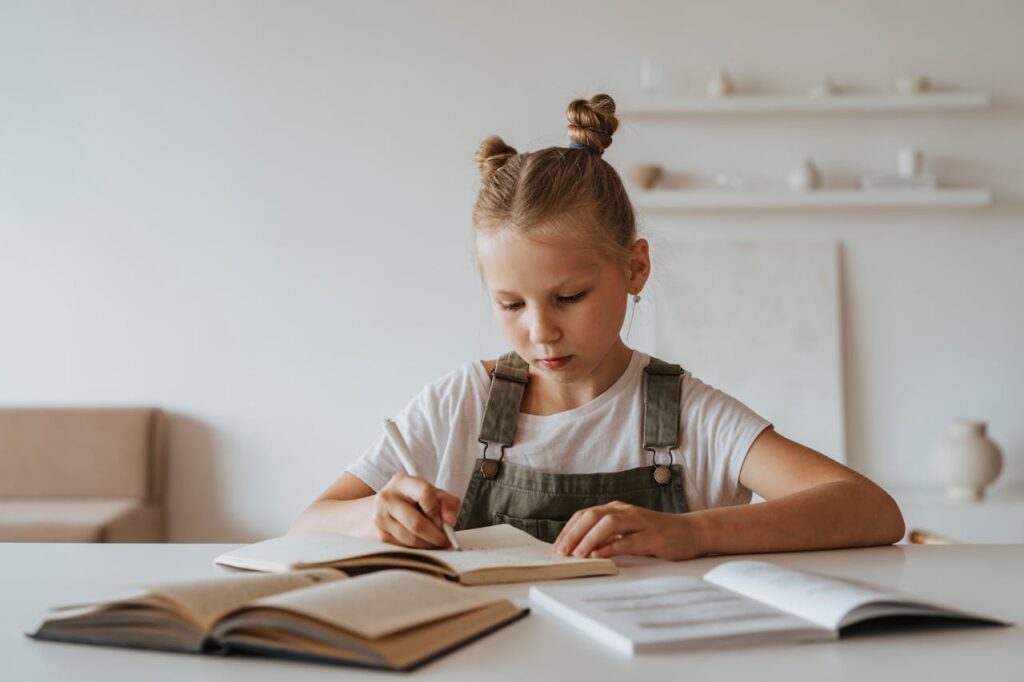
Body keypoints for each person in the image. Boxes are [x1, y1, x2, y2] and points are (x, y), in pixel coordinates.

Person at [290, 94, 905, 560]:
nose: (541, 332)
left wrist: (689, 531)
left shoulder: (686, 413)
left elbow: (871, 510)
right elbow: (308, 523)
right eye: (510, 305)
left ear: (634, 268)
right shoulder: (461, 404)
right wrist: (372, 516)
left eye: (568, 297)